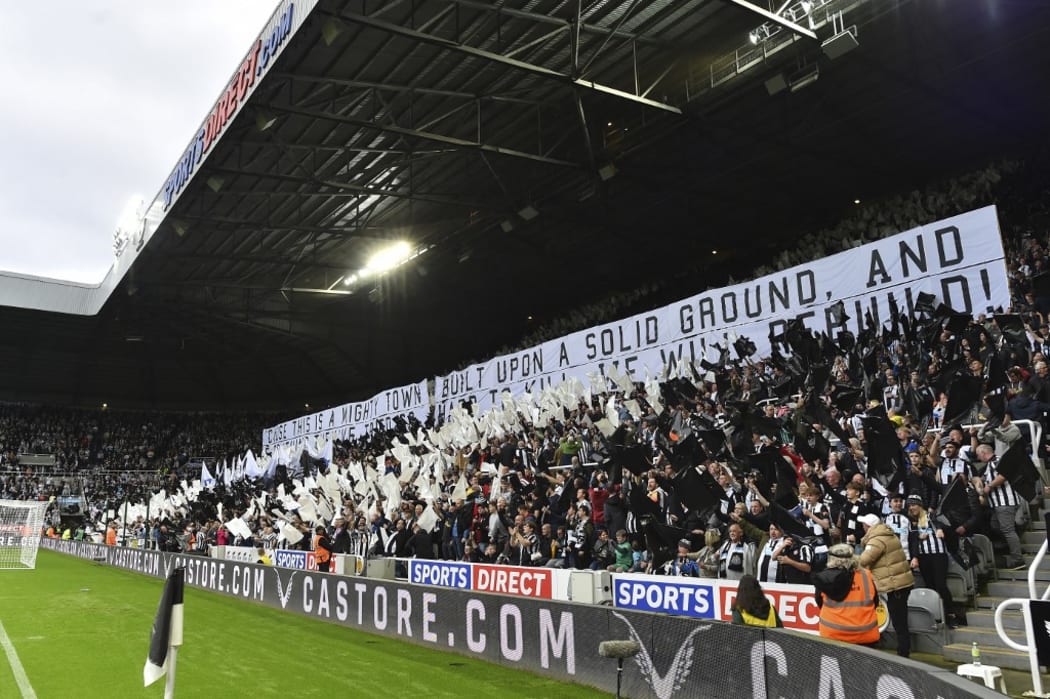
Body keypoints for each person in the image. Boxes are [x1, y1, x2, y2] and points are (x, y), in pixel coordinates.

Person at [857, 513, 915, 657]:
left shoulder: (877, 540)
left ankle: (903, 653)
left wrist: (846, 559)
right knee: (900, 619)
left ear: (869, 526)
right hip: (900, 583)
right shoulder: (888, 534)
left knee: (899, 621)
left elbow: (863, 560)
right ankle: (903, 650)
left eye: (864, 525)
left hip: (896, 585)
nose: (863, 527)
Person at [813, 543, 880, 646]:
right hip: (865, 634)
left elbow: (819, 602)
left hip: (832, 633)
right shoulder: (866, 575)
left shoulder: (824, 578)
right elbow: (875, 601)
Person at [976, 443, 1027, 570]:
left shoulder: (996, 461)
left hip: (1005, 503)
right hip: (1000, 504)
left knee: (1007, 530)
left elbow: (1003, 476)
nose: (978, 458)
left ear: (983, 453)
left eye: (978, 455)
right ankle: (1016, 546)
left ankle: (1018, 560)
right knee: (995, 525)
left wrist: (990, 486)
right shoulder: (990, 464)